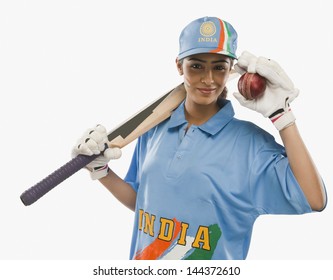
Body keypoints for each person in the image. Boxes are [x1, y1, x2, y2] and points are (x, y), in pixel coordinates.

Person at [72, 16, 327, 260]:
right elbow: (143, 202)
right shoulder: (153, 128)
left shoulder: (249, 144)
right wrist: (101, 170)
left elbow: (313, 199)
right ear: (178, 65)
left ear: (230, 71)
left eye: (219, 68)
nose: (208, 79)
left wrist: (282, 117)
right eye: (196, 66)